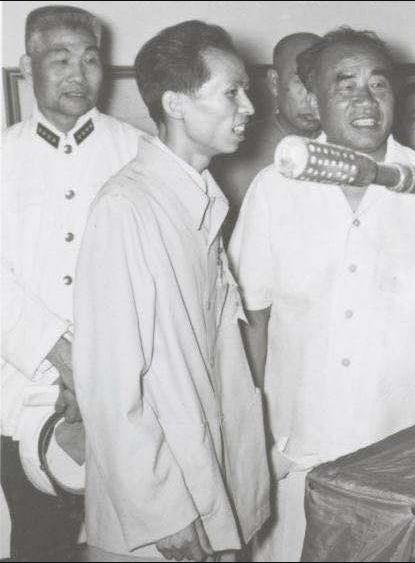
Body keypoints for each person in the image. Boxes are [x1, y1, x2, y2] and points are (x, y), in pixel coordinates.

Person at [229, 27, 415, 561]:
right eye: (346, 85)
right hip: (303, 441)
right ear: (314, 98)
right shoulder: (275, 188)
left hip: (408, 444)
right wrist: (248, 435)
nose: (366, 100)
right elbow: (253, 319)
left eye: (378, 85)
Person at [73, 20, 269, 560]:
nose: (249, 107)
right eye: (231, 92)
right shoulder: (126, 208)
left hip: (208, 493)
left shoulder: (201, 200)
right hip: (159, 520)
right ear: (176, 103)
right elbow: (109, 384)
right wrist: (162, 513)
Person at [1, 6, 143, 560]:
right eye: (60, 60)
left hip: (127, 390)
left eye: (90, 60)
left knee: (134, 542)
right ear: (26, 67)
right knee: (39, 544)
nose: (77, 75)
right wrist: (62, 358)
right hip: (21, 391)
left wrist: (101, 367)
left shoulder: (139, 153)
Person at [211, 32, 321, 239]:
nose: (313, 96)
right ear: (274, 82)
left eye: (322, 81)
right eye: (300, 81)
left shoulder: (347, 145)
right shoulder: (239, 154)